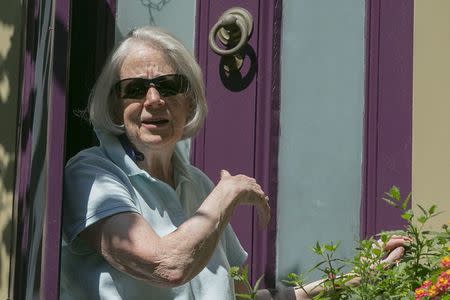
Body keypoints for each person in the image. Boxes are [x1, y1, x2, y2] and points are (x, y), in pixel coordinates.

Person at [60, 26, 407, 300]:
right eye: (135, 89)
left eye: (168, 85)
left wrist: (358, 275)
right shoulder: (94, 174)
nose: (153, 100)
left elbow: (245, 298)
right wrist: (227, 196)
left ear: (190, 98)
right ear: (115, 104)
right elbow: (166, 267)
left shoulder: (198, 185)